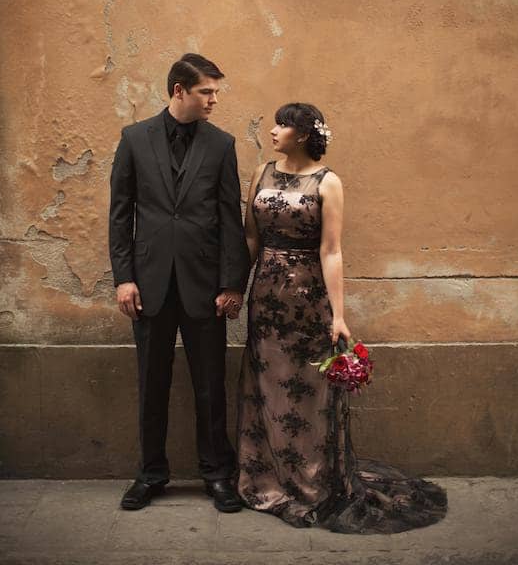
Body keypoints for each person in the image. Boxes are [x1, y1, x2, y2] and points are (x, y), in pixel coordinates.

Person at [237, 102, 447, 532]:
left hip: (308, 300)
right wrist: (235, 289)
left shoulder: (328, 182)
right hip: (266, 298)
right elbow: (251, 236)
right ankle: (268, 477)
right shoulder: (261, 172)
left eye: (282, 125)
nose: (273, 130)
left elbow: (331, 250)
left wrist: (338, 315)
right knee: (265, 385)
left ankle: (309, 482)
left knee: (307, 391)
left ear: (301, 134)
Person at [109, 53, 250, 512]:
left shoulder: (222, 145)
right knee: (152, 382)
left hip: (204, 285)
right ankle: (151, 474)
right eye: (206, 91)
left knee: (211, 383)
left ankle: (217, 475)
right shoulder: (133, 139)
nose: (214, 100)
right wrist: (124, 278)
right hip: (148, 285)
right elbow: (120, 215)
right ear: (178, 91)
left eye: (215, 91)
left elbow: (232, 219)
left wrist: (232, 285)